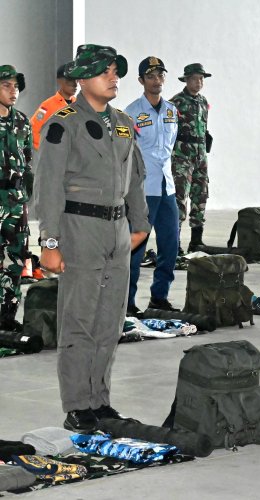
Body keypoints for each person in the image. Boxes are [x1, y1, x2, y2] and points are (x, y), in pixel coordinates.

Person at [34, 44, 150, 432]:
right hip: (79, 229)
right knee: (80, 321)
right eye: (105, 72)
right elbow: (47, 187)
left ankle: (99, 400)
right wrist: (49, 243)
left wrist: (140, 223)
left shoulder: (122, 121)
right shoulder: (62, 123)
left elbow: (134, 176)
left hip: (117, 232)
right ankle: (77, 405)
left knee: (110, 322)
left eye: (115, 71)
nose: (114, 78)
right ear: (83, 79)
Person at [124, 57, 180, 315]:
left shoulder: (171, 110)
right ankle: (127, 302)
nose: (156, 81)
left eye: (160, 76)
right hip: (143, 191)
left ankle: (160, 297)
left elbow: (170, 149)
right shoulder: (131, 112)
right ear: (141, 81)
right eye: (151, 76)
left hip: (167, 189)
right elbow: (125, 153)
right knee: (136, 249)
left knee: (170, 245)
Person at [0, 65, 32, 332]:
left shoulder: (22, 121)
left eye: (16, 87)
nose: (13, 92)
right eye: (6, 86)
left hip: (17, 201)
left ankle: (8, 315)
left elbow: (27, 162)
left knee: (17, 258)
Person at [171, 63, 211, 253]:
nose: (199, 82)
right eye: (195, 78)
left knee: (200, 194)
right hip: (181, 157)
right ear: (186, 80)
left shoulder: (203, 102)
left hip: (200, 156)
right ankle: (174, 243)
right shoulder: (175, 103)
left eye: (202, 78)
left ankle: (196, 241)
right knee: (180, 198)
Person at [30, 62, 77, 150]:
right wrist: (47, 150)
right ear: (60, 81)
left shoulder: (79, 104)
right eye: (70, 80)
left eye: (76, 79)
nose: (75, 84)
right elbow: (33, 129)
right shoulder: (47, 106)